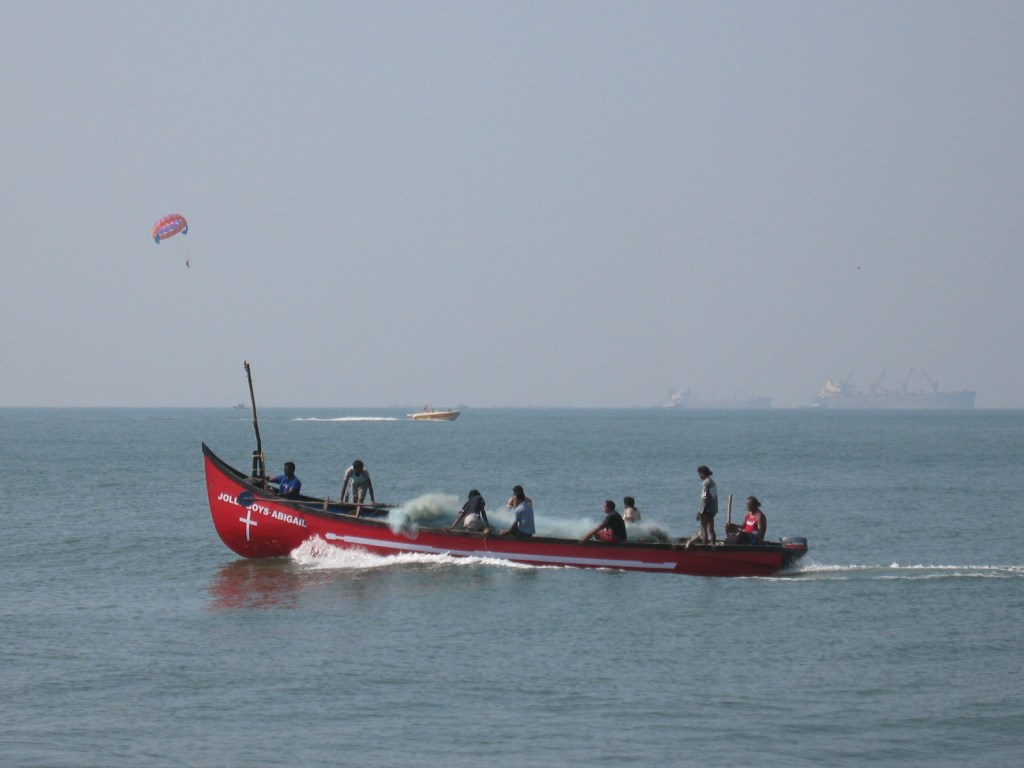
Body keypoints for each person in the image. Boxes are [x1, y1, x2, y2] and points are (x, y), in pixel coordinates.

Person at [696, 465, 718, 545]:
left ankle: (704, 546)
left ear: (703, 473)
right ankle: (713, 545)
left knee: (704, 529)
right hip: (713, 509)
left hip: (706, 509)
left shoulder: (705, 483)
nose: (699, 476)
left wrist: (700, 511)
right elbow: (713, 496)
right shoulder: (712, 482)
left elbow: (704, 498)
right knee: (711, 529)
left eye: (699, 474)